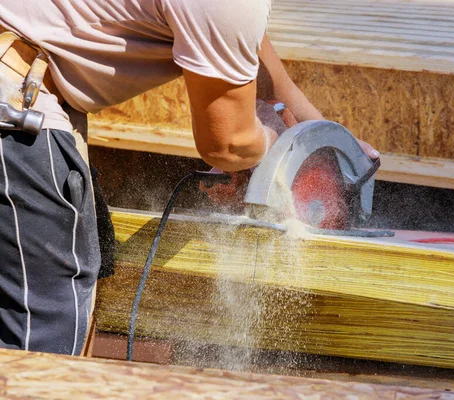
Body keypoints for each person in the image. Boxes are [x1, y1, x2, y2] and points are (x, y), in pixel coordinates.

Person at [0, 0, 378, 356]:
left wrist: (321, 133)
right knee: (46, 322)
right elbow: (227, 145)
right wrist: (274, 151)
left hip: (25, 80)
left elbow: (252, 57)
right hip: (17, 99)